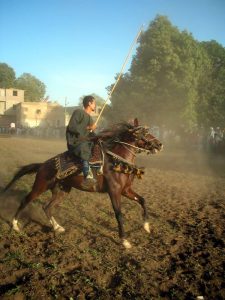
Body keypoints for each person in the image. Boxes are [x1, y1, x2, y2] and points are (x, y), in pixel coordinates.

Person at [66, 95, 97, 188]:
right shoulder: (78, 112)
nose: (95, 105)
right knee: (84, 147)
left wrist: (98, 136)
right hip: (76, 141)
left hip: (85, 141)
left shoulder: (90, 119)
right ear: (89, 103)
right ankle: (87, 175)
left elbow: (90, 134)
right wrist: (88, 128)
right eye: (94, 103)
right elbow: (71, 127)